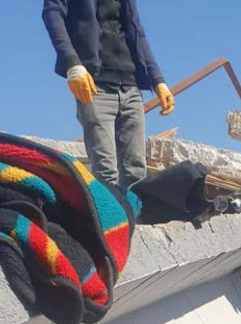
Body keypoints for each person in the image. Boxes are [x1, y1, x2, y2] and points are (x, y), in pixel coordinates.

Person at [42, 0, 174, 189]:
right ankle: (108, 210)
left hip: (131, 86)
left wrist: (157, 80)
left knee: (136, 173)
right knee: (105, 172)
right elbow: (52, 13)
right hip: (95, 86)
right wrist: (72, 63)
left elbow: (137, 31)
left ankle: (132, 210)